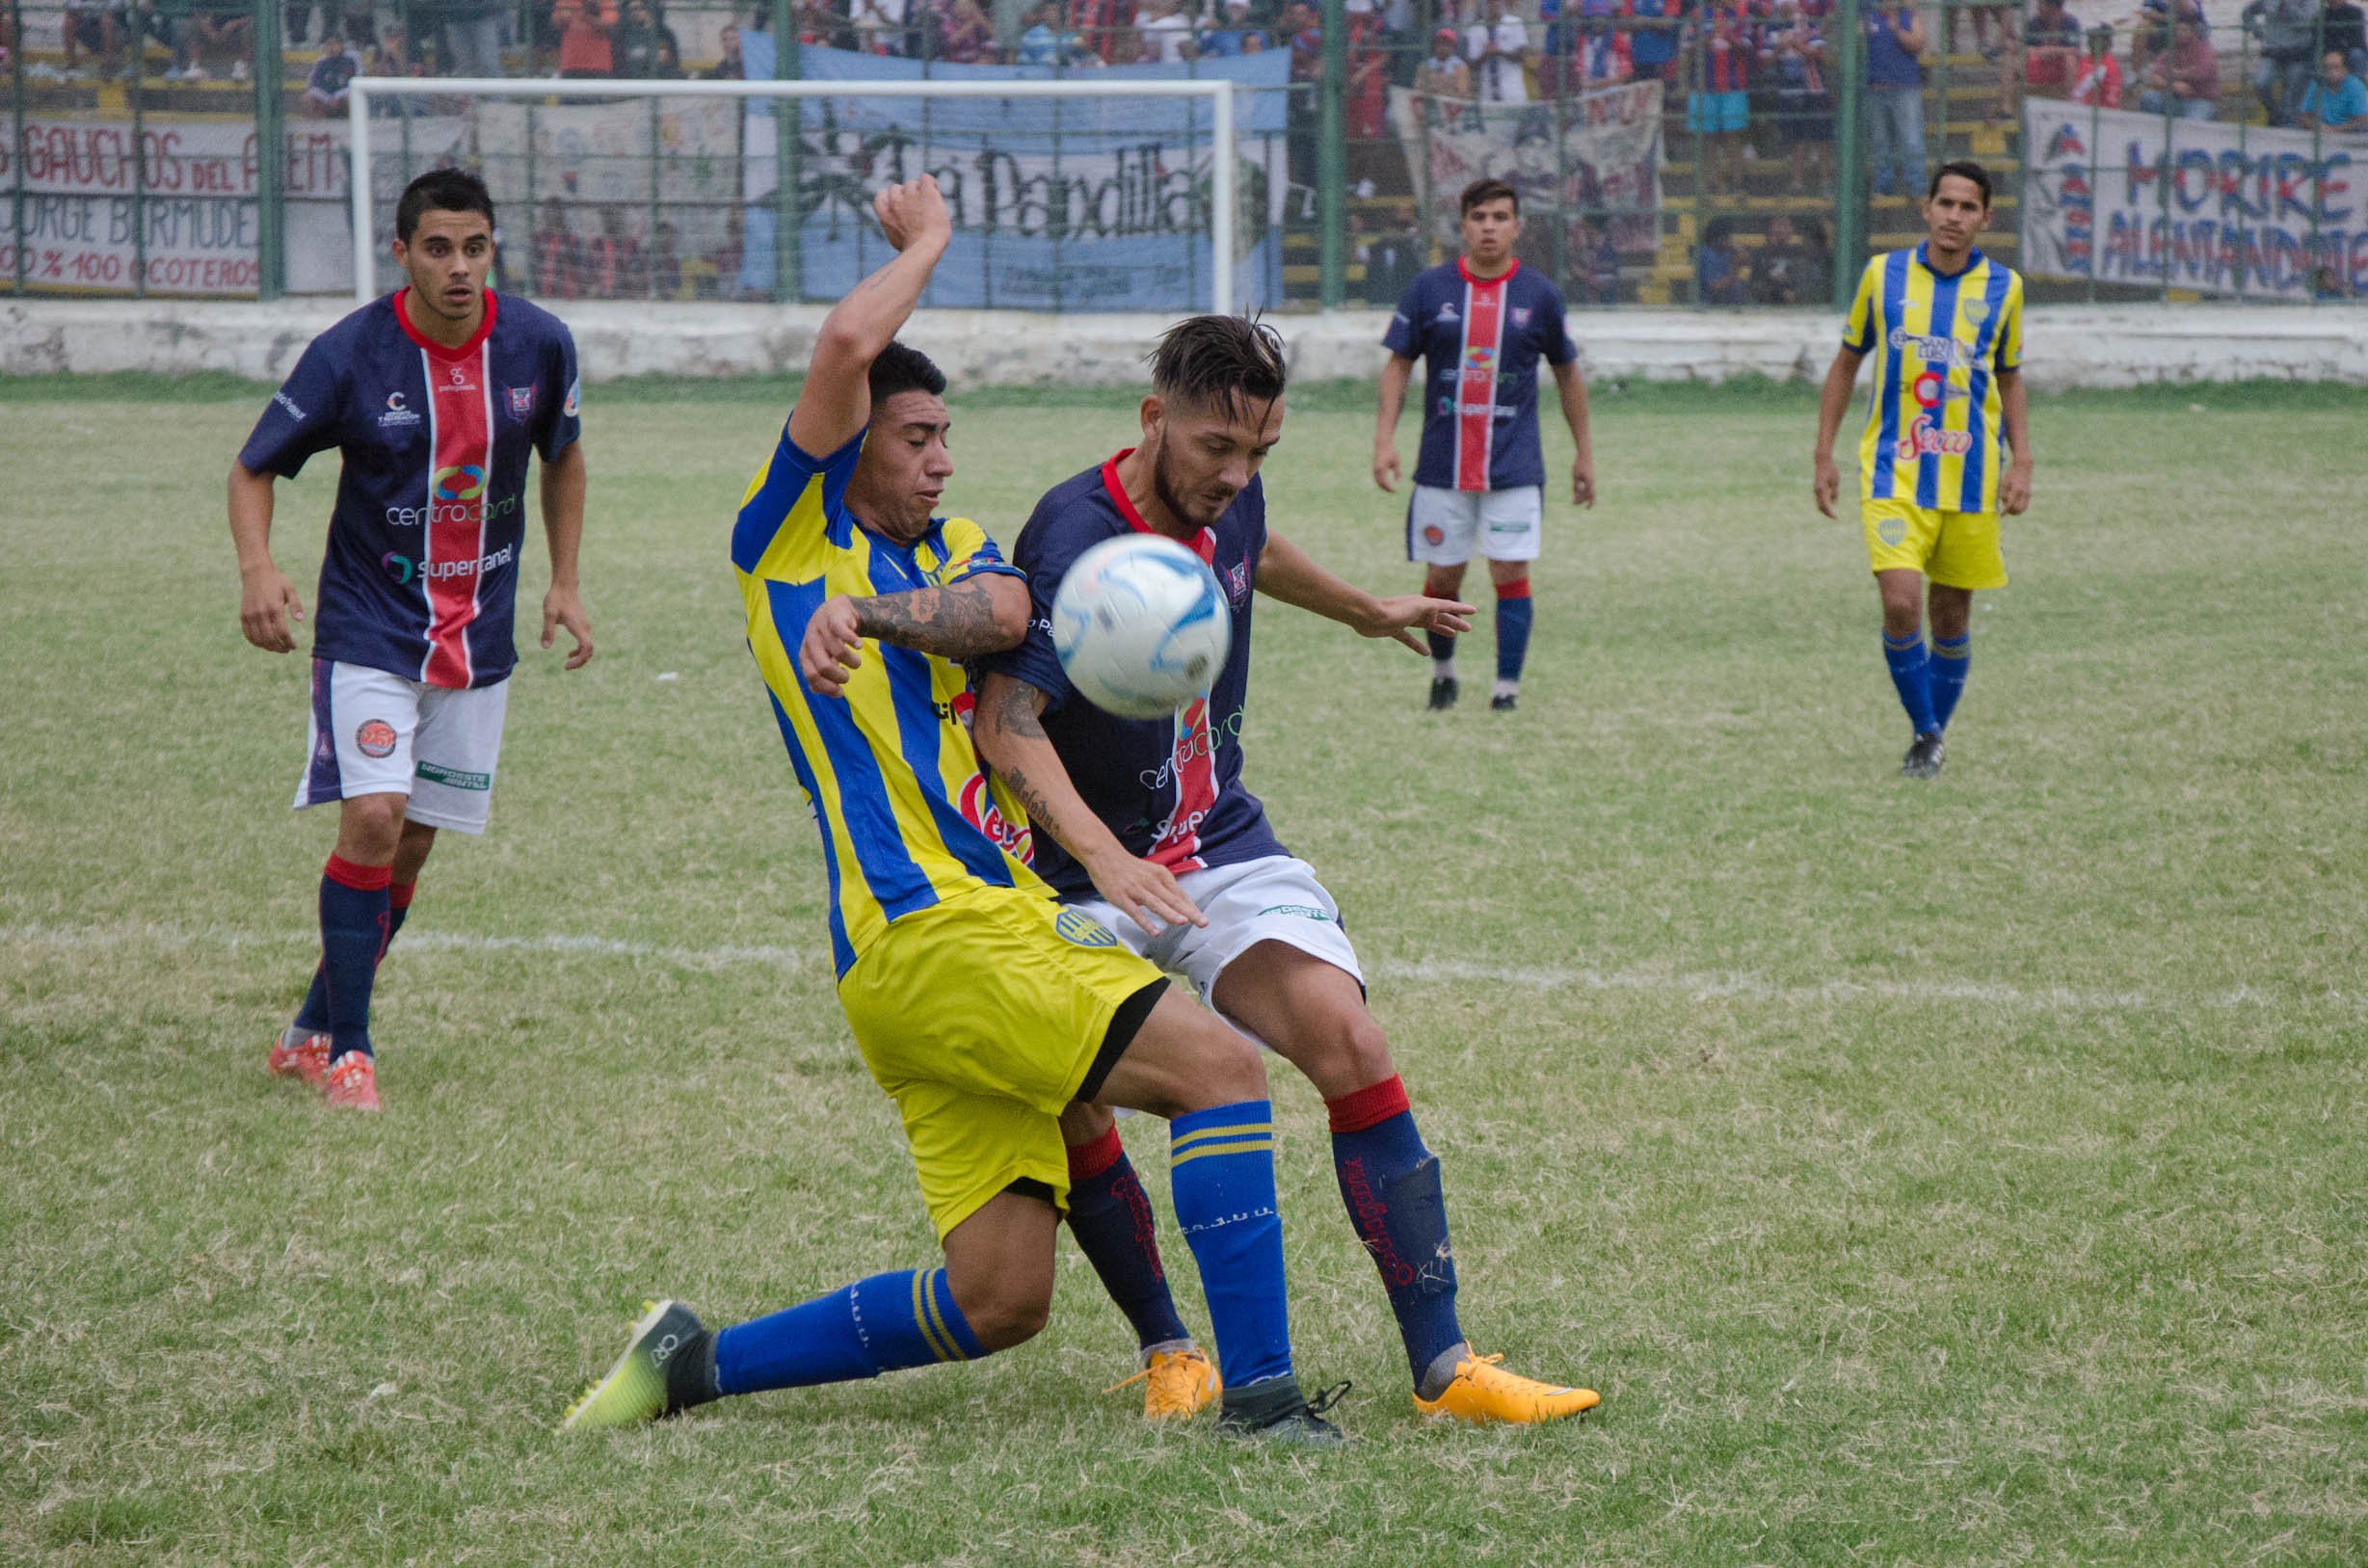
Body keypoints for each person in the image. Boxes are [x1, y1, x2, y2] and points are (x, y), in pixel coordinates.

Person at [559, 177, 1344, 1447]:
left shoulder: (958, 548)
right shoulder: (787, 546)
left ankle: (689, 1361)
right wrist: (925, 241)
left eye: (945, 433)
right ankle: (1260, 1402)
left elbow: (1011, 619)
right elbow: (844, 349)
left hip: (940, 952)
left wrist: (869, 617)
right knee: (1219, 1067)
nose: (942, 456)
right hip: (931, 929)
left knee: (998, 1297)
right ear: (849, 444)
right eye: (916, 434)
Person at [969, 317, 1599, 1429]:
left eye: (1259, 451)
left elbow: (1256, 549)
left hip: (1215, 841)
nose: (1236, 474)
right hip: (1075, 875)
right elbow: (1004, 724)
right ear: (1153, 418)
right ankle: (1171, 1350)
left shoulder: (1232, 493)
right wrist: (1107, 861)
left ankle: (1445, 1367)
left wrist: (1365, 609)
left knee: (1348, 1040)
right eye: (1216, 446)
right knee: (1072, 1095)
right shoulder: (1075, 538)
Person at [232, 169, 592, 1112]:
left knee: (414, 848)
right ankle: (351, 1050)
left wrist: (565, 579)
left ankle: (309, 1028)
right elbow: (252, 468)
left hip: (478, 640)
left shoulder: (539, 344)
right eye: (439, 248)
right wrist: (257, 570)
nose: (461, 267)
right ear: (402, 253)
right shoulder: (351, 353)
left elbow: (566, 455)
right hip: (368, 627)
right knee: (375, 818)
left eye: (476, 247)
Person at [1811, 161, 2030, 781]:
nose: (1954, 217)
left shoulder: (2004, 289)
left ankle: (1927, 739)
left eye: (1968, 208)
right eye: (1945, 204)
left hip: (1971, 474)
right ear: (1926, 208)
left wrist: (2024, 461)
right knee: (1902, 604)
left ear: (1985, 218)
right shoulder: (1884, 276)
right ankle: (1928, 733)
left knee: (1951, 617)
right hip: (1893, 472)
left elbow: (2009, 377)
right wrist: (1823, 454)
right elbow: (1846, 363)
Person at [1374, 177, 1596, 713]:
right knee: (1443, 577)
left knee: (1509, 573)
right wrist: (1384, 440)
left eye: (1500, 217)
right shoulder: (1429, 290)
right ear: (1463, 226)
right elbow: (1399, 363)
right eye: (1480, 217)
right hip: (1441, 465)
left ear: (1517, 226)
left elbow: (1568, 373)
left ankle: (1506, 691)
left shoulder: (1540, 295)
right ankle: (1444, 674)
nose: (1490, 227)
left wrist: (1583, 452)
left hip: (1514, 465)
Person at [1685, 2, 1754, 199]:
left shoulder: (1741, 12)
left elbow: (1748, 47)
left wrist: (1730, 38)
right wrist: (1703, 42)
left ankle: (1738, 185)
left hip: (1733, 85)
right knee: (1707, 138)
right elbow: (1687, 47)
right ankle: (1712, 186)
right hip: (1704, 86)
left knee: (1733, 136)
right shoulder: (1697, 13)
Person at [1761, 0, 1830, 197]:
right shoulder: (1771, 26)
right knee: (1796, 140)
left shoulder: (1807, 22)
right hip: (1788, 91)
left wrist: (1796, 45)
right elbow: (1765, 59)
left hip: (1813, 88)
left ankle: (1825, 182)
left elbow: (1816, 53)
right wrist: (1778, 49)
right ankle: (1797, 184)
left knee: (1821, 138)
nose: (1784, 6)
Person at [1865, 2, 1927, 198]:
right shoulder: (1868, 16)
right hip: (1875, 88)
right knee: (1880, 141)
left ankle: (1917, 186)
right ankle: (1883, 185)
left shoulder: (1908, 15)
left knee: (1911, 139)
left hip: (1904, 88)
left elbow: (1918, 43)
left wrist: (1897, 31)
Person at [2246, 0, 2318, 123]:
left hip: (2298, 53)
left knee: (2290, 100)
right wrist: (2257, 31)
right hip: (2271, 52)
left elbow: (2307, 22)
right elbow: (2247, 12)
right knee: (2260, 84)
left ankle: (2287, 130)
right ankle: (2276, 114)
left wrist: (2287, 6)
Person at [2140, 5, 2216, 119]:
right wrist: (2173, 85)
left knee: (2193, 124)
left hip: (2200, 101)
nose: (2180, 33)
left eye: (2184, 30)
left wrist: (2173, 73)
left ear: (2193, 31)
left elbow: (2202, 72)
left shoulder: (2204, 48)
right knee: (2148, 98)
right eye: (2177, 30)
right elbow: (2155, 76)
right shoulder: (2170, 47)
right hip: (2174, 100)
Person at [1467, 0, 1531, 102]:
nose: (1493, 4)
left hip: (1512, 90)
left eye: (1496, 1)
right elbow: (1472, 65)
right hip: (1487, 92)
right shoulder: (1476, 28)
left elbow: (1522, 56)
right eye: (1489, 2)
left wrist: (1499, 52)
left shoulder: (1514, 22)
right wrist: (1485, 54)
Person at [2299, 46, 2368, 128]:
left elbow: (2363, 120)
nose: (2331, 71)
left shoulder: (2355, 85)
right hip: (2322, 133)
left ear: (2345, 69)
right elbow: (2304, 116)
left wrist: (2335, 130)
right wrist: (2319, 126)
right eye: (2327, 67)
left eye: (2336, 67)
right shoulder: (2316, 84)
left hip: (2350, 135)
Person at [1748, 211, 1808, 303]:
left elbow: (1803, 283)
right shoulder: (1759, 253)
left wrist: (1794, 292)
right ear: (1769, 229)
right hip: (1766, 305)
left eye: (1786, 225)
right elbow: (1754, 285)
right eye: (1778, 225)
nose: (1782, 230)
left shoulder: (1798, 252)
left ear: (1791, 230)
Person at [304, 28, 362, 113]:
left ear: (341, 45)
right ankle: (317, 124)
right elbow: (312, 84)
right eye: (328, 45)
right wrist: (327, 99)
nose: (331, 48)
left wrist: (337, 97)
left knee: (350, 97)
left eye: (334, 44)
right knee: (308, 98)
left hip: (343, 95)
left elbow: (357, 80)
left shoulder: (352, 57)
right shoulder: (321, 61)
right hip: (326, 97)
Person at [442, 0, 508, 75]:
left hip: (483, 15)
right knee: (463, 65)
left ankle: (496, 86)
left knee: (489, 63)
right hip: (454, 17)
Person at [551, 0, 617, 75]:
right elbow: (555, 23)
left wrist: (586, 16)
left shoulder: (605, 2)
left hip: (599, 65)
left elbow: (608, 25)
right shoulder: (566, 1)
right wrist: (563, 18)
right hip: (570, 64)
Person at [1694, 214, 1746, 303]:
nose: (1729, 240)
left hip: (1731, 306)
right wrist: (1735, 267)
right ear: (1717, 238)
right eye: (1726, 237)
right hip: (1710, 308)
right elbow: (1715, 287)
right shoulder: (1705, 253)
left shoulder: (1725, 252)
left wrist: (1741, 256)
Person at [2069, 23, 2121, 107]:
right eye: (2090, 39)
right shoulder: (2085, 59)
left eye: (2094, 39)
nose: (2089, 42)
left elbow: (2112, 101)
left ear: (2105, 43)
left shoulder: (2110, 68)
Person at [1416, 24, 1473, 99]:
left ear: (1453, 47)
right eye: (1440, 43)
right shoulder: (1425, 65)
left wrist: (1441, 91)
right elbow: (1417, 88)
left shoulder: (1460, 67)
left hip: (1450, 106)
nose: (1442, 48)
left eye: (1447, 44)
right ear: (1434, 45)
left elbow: (1462, 93)